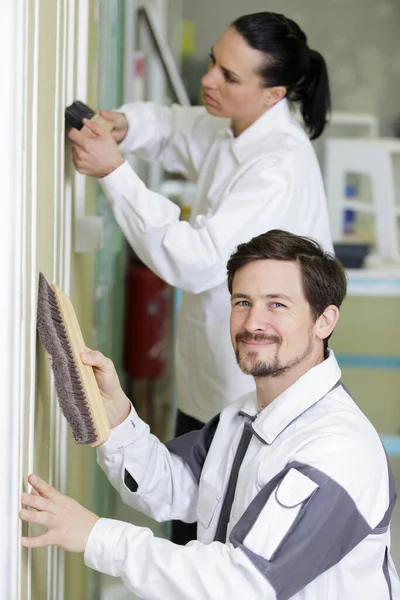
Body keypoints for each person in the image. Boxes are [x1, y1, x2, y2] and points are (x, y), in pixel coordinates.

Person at [68, 11, 333, 544]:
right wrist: (128, 125)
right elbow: (176, 127)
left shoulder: (277, 167)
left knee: (211, 541)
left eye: (230, 77)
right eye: (214, 61)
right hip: (214, 382)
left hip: (253, 386)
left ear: (274, 94)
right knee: (188, 518)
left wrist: (115, 174)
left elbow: (197, 259)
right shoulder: (236, 124)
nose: (208, 80)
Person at [20, 230, 400, 599]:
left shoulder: (336, 450)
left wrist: (98, 537)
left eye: (277, 304)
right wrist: (119, 417)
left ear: (325, 321)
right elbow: (174, 488)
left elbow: (244, 584)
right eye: (243, 302)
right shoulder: (244, 415)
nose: (253, 323)